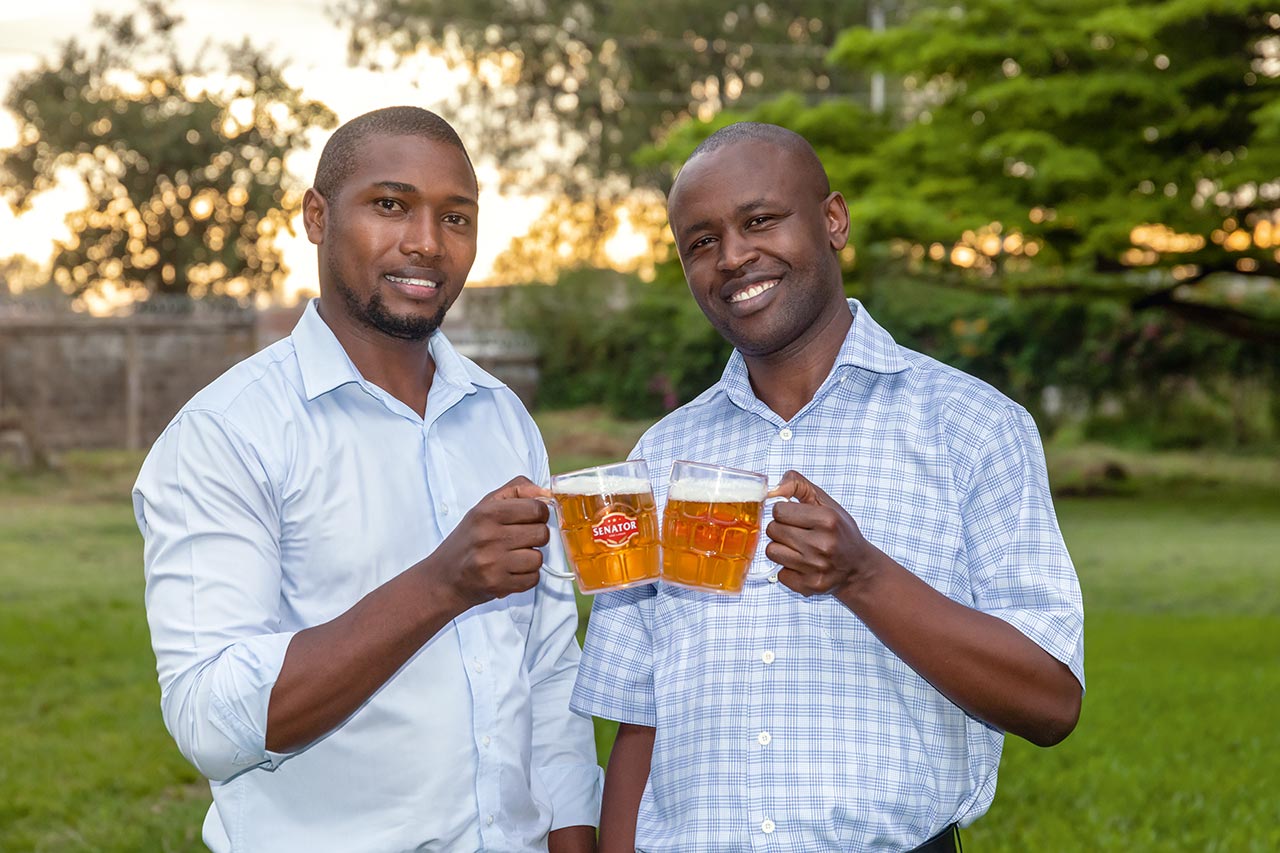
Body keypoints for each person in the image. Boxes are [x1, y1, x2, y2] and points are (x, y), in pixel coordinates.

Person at [570, 122, 1084, 852]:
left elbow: (1051, 700)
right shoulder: (661, 457)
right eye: (701, 242)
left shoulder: (973, 427)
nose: (733, 256)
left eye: (759, 220)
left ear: (833, 219)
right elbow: (639, 717)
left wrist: (862, 574)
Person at [133, 107, 601, 852]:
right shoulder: (226, 434)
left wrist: (574, 838)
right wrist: (442, 584)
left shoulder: (503, 420)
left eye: (456, 216)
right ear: (317, 217)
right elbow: (209, 722)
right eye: (390, 205)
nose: (425, 241)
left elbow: (547, 670)